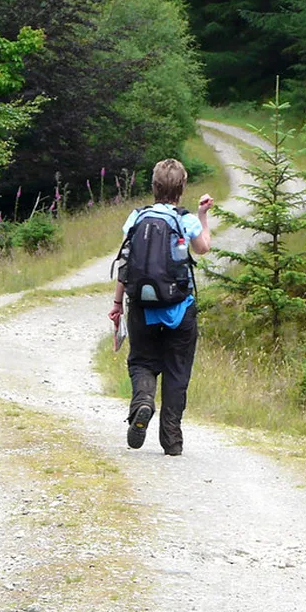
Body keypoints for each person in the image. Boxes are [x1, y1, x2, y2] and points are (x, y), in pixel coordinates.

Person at [109, 159, 212, 455]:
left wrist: (118, 303)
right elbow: (203, 247)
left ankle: (142, 401)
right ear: (181, 189)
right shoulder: (185, 219)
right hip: (180, 309)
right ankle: (171, 440)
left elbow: (126, 263)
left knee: (142, 362)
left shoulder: (135, 218)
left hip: (142, 307)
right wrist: (203, 215)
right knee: (177, 371)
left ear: (153, 187)